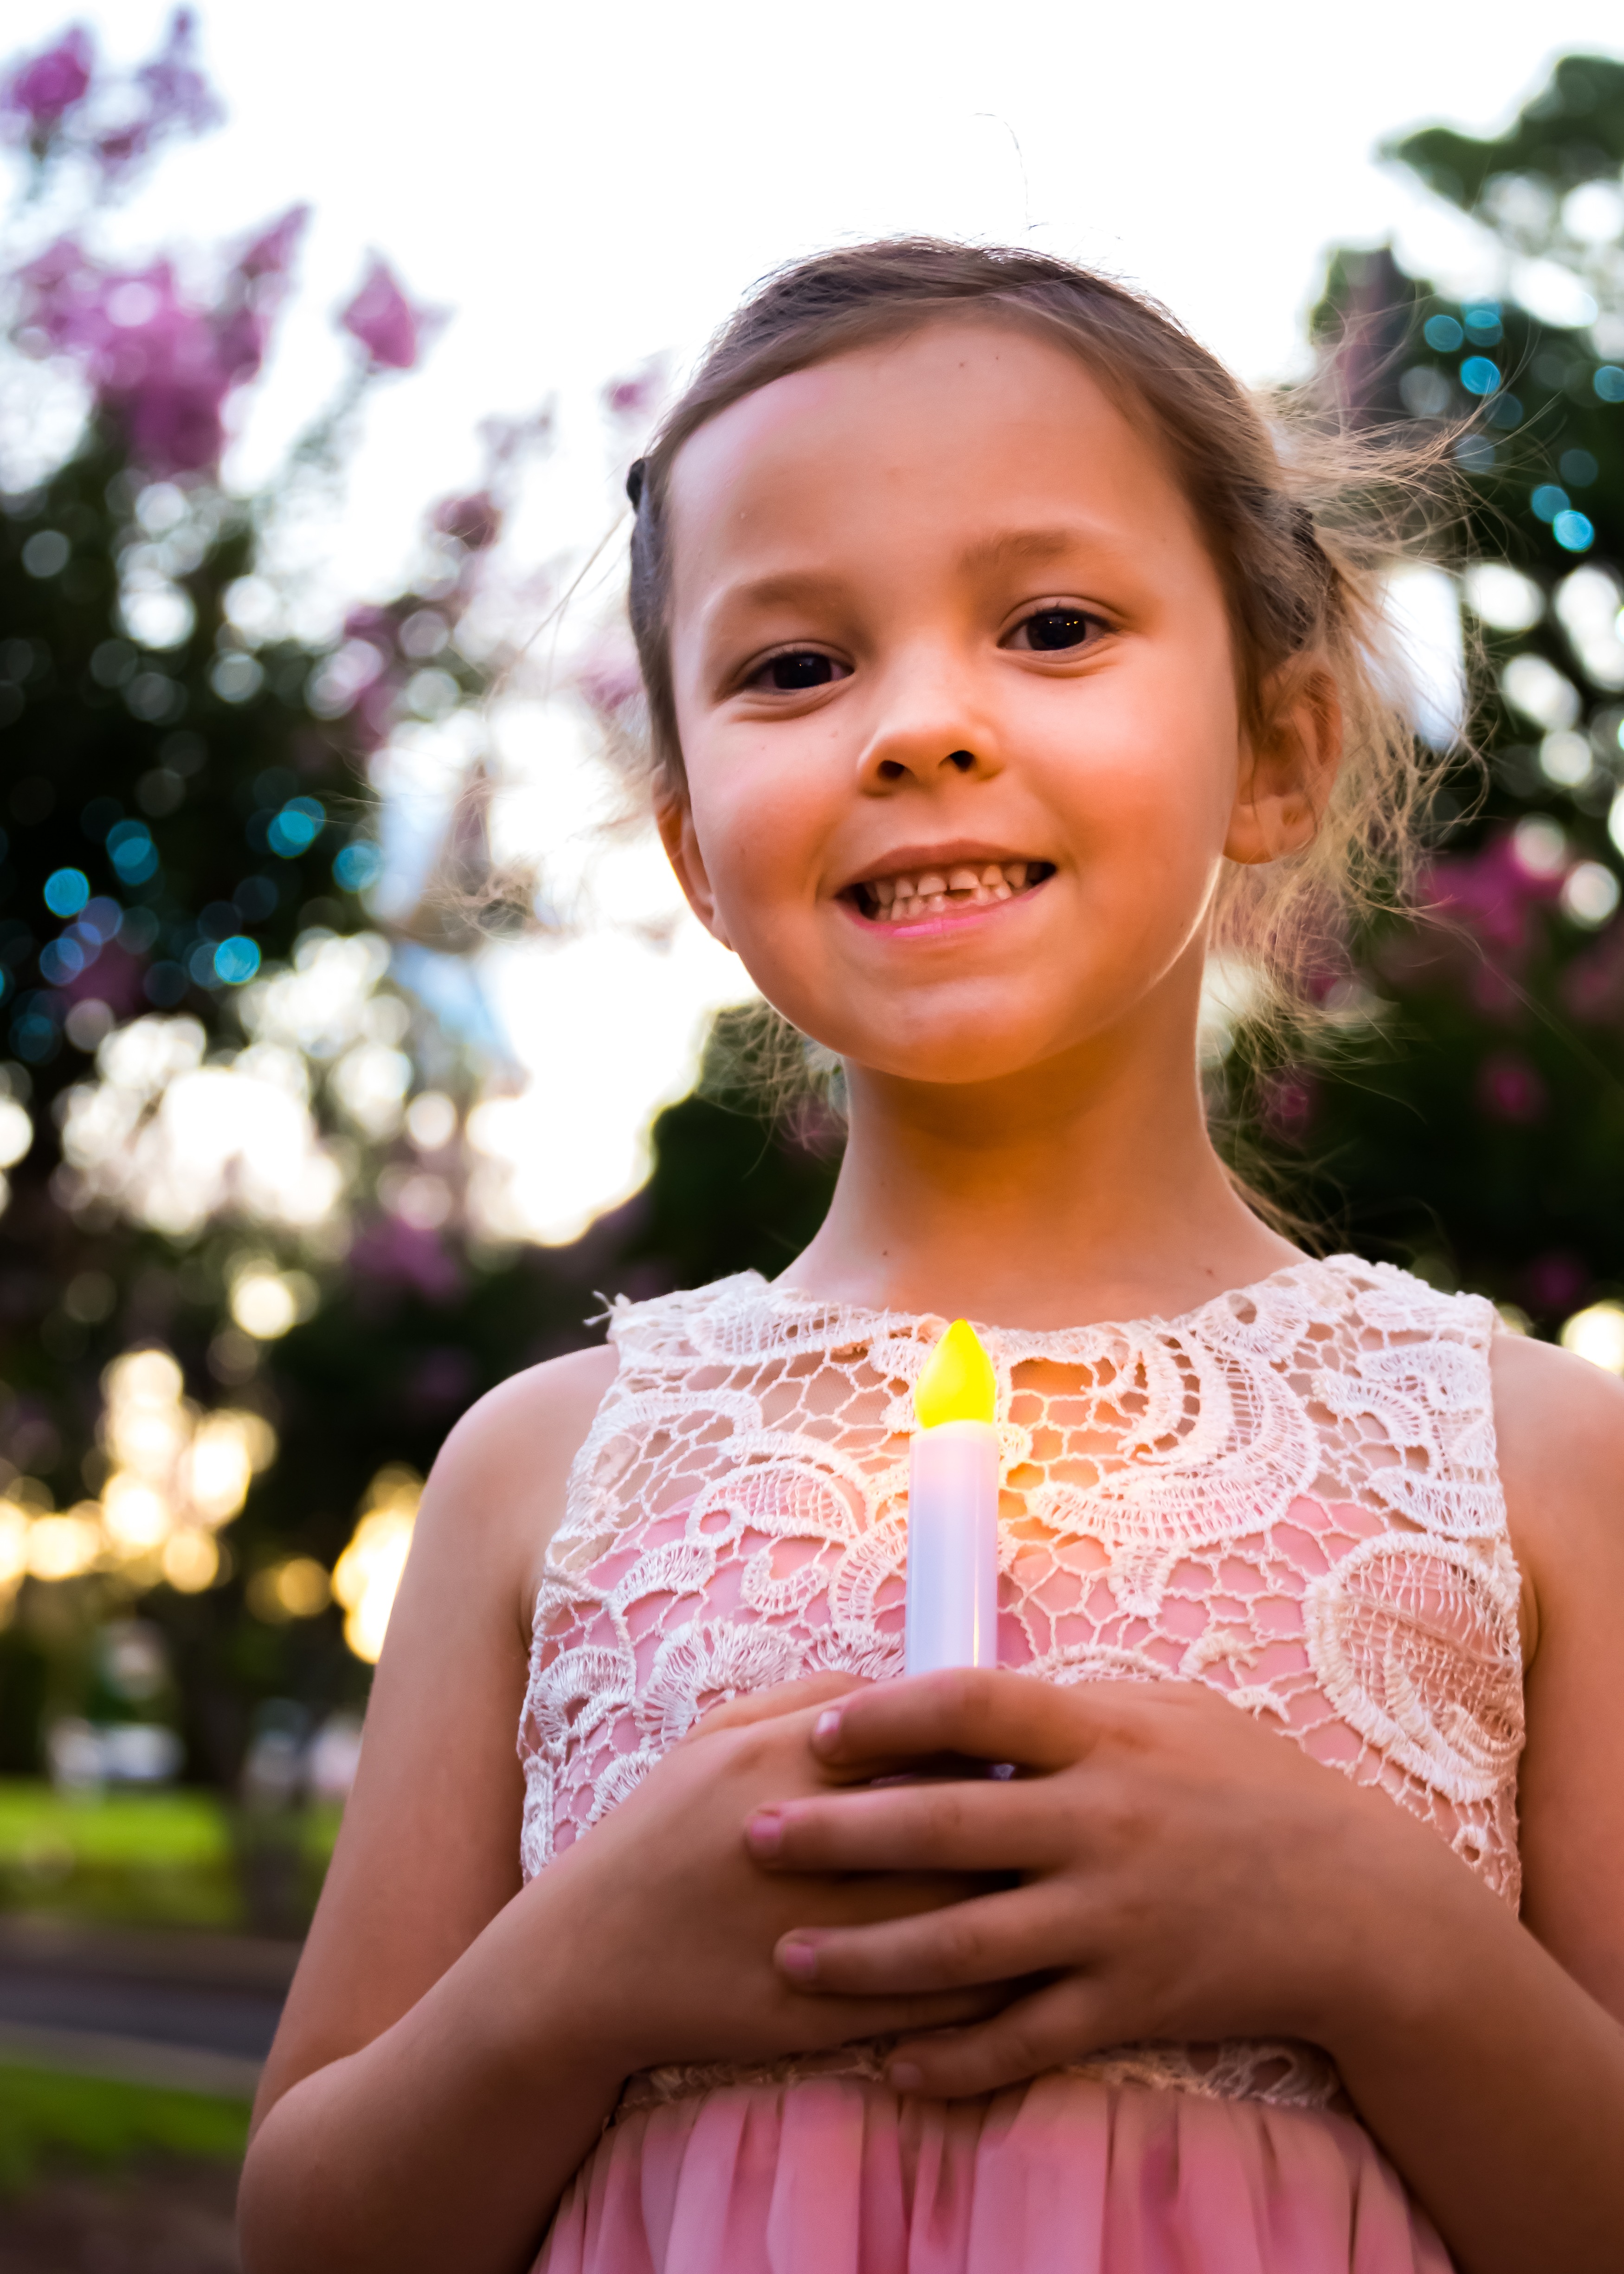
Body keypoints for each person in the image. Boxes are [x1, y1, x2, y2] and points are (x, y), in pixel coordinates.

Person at [237, 242, 1624, 2274]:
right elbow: (311, 2230)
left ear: (1278, 748)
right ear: (700, 847)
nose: (916, 726)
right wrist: (577, 1975)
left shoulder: (1531, 1464)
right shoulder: (540, 1472)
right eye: (794, 666)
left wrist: (1373, 1936)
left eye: (1049, 624)